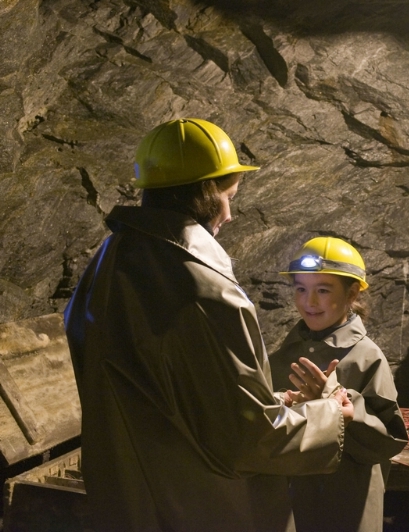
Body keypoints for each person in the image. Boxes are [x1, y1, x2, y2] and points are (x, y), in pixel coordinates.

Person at [64, 118, 353, 532]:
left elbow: (167, 397)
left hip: (129, 499)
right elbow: (246, 439)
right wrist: (331, 415)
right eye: (227, 196)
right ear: (203, 192)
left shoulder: (107, 265)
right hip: (199, 506)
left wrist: (277, 403)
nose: (230, 214)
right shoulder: (205, 291)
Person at [269, 236, 408, 532]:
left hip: (345, 503)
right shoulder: (284, 356)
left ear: (351, 293)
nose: (309, 302)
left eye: (323, 290)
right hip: (290, 502)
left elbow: (389, 441)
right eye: (301, 289)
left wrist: (346, 409)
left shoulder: (366, 357)